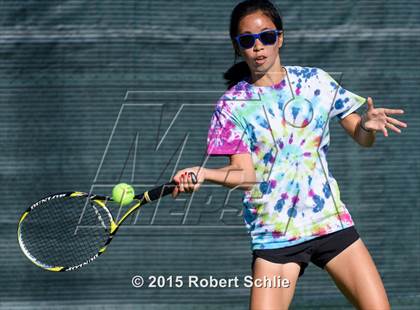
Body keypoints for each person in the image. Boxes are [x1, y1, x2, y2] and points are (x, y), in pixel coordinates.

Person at [171, 0, 407, 309]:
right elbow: (244, 175)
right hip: (275, 238)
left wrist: (366, 125)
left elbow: (363, 139)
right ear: (238, 47)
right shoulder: (231, 105)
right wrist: (205, 174)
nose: (258, 46)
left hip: (330, 224)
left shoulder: (315, 82)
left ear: (280, 38)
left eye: (266, 36)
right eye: (247, 40)